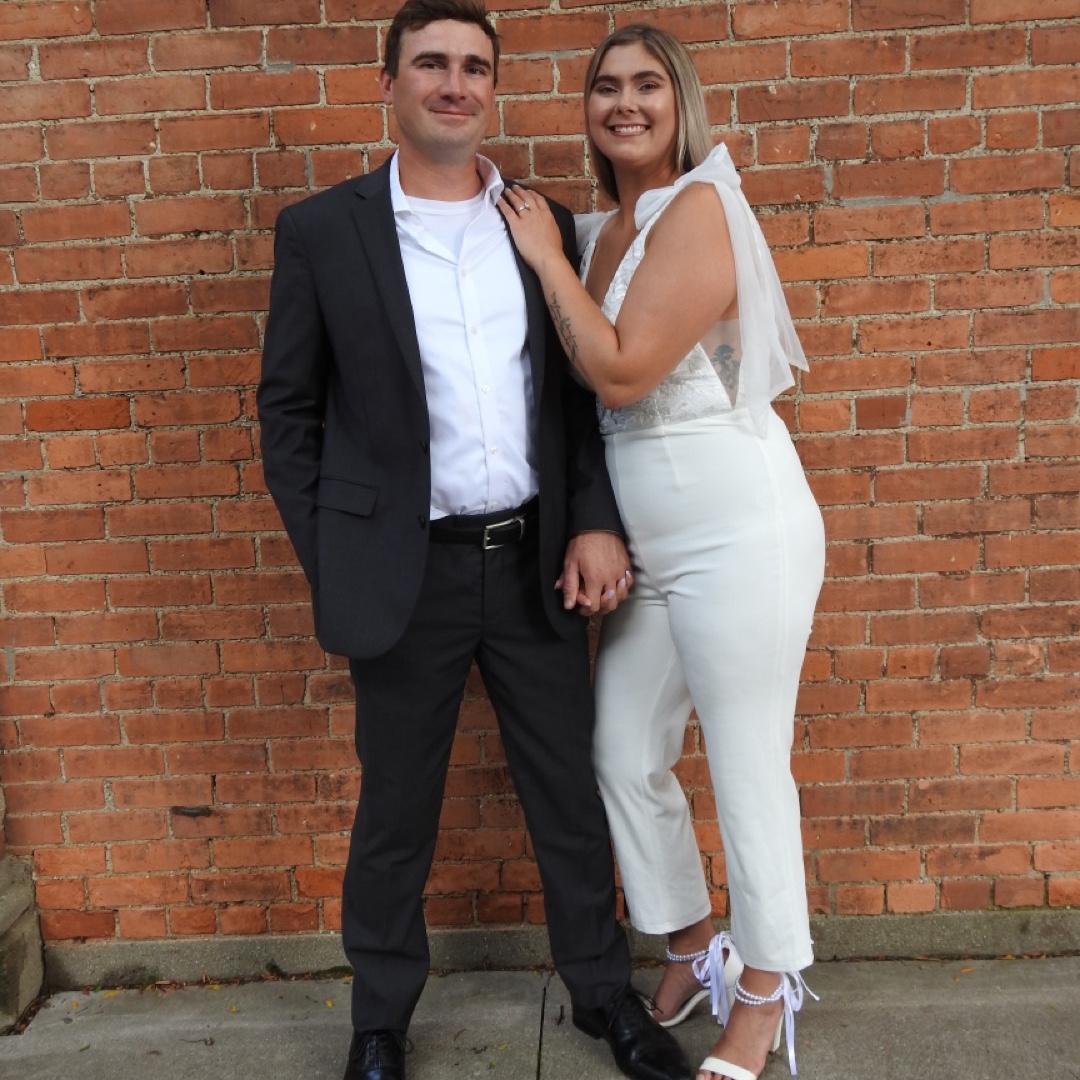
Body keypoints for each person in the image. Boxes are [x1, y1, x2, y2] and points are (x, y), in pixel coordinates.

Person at [258, 4, 695, 1080]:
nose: (454, 85)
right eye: (431, 65)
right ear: (390, 83)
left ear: (493, 87)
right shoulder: (323, 232)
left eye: (474, 67)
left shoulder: (541, 223)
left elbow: (579, 399)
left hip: (534, 562)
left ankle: (604, 995)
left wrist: (593, 518)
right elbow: (288, 413)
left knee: (568, 797)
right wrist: (339, 553)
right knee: (395, 812)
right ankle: (378, 1022)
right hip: (405, 573)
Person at [498, 24, 826, 1080]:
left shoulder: (701, 206)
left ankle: (767, 992)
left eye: (647, 84)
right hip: (649, 543)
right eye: (606, 87)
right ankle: (693, 941)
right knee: (622, 751)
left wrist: (543, 259)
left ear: (680, 102)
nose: (625, 103)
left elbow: (625, 371)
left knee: (745, 762)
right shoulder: (603, 228)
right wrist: (564, 252)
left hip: (740, 527)